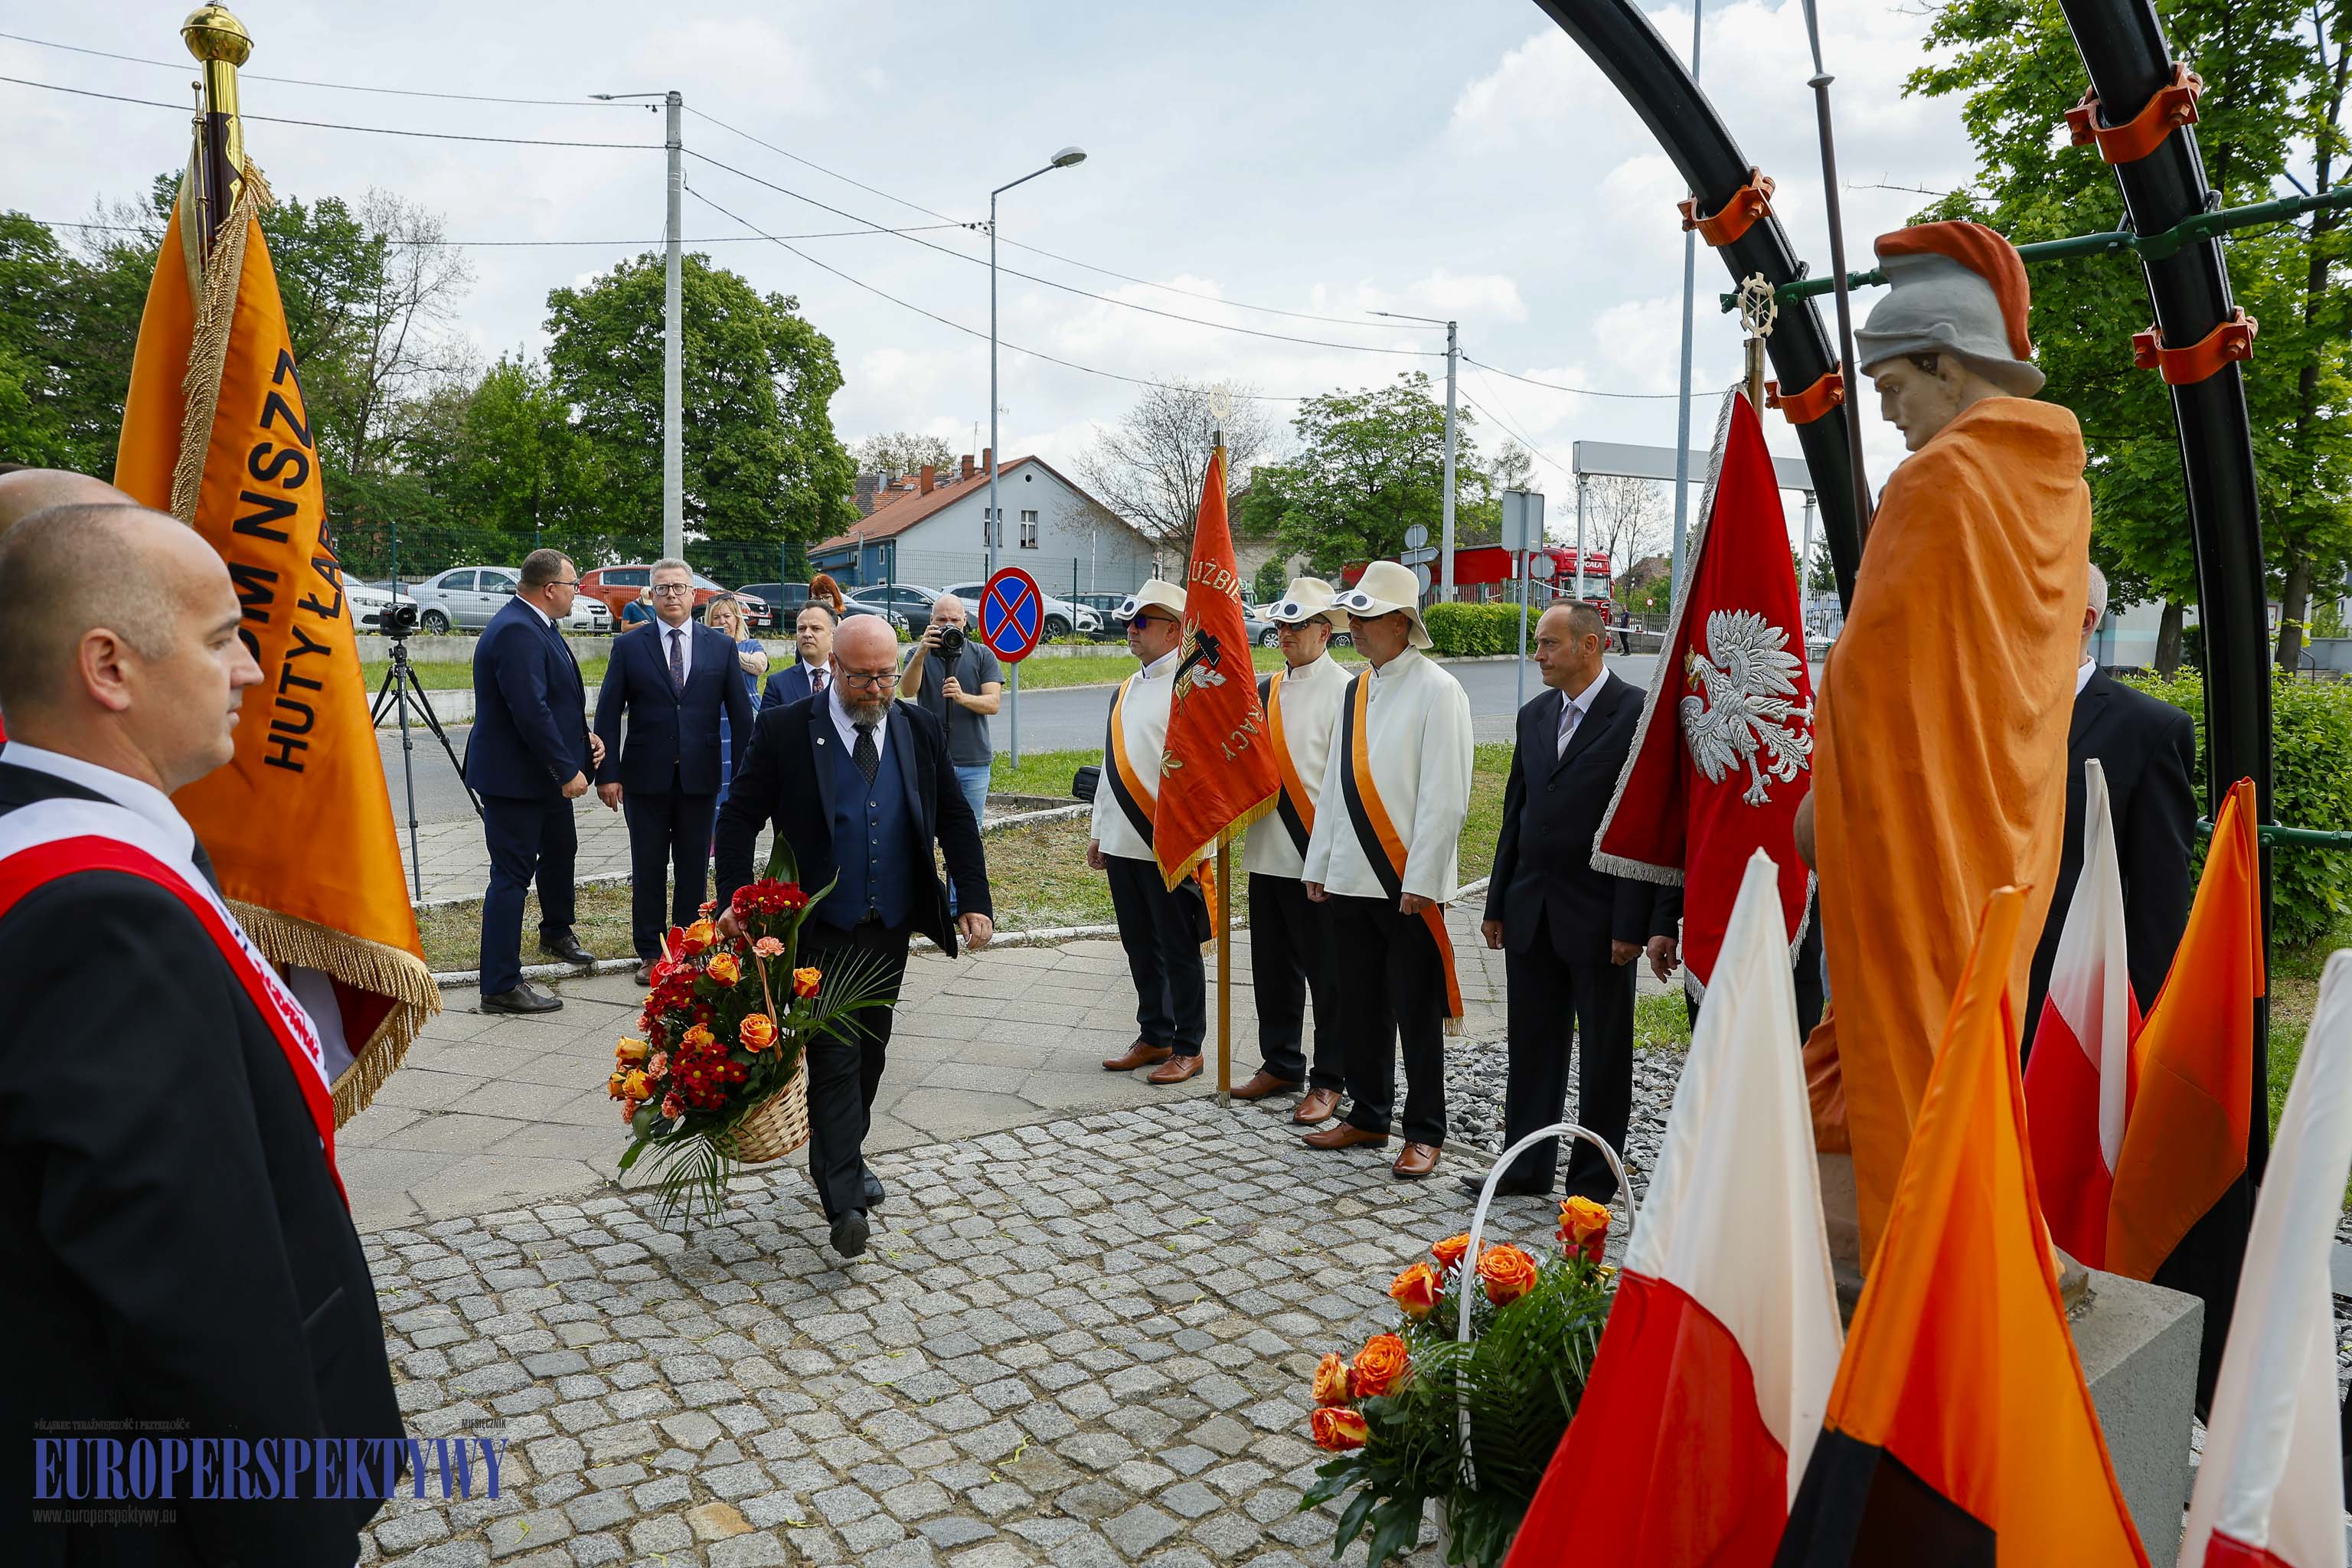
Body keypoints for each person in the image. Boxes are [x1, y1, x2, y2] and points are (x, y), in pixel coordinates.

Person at [0, 502, 401, 1563]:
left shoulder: (64, 840)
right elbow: (191, 1293)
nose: (255, 671)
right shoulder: (99, 912)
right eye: (224, 637)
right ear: (109, 668)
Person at [1795, 220, 2091, 1265]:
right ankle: (1983, 1223)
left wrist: (1820, 803)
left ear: (1946, 362)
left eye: (1895, 390)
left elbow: (1873, 682)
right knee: (1971, 1034)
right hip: (2009, 827)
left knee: (1908, 1041)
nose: (1891, 416)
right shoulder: (2058, 485)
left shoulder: (1937, 483)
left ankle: (1929, 1252)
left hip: (1917, 830)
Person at [714, 615, 993, 1259]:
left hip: (890, 923)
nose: (875, 688)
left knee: (870, 1052)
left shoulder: (918, 727)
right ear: (834, 668)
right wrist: (736, 898)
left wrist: (971, 899)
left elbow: (953, 815)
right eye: (863, 676)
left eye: (886, 676)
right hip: (818, 930)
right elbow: (737, 818)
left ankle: (845, 1150)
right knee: (835, 1057)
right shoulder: (787, 729)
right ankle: (842, 1199)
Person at [1484, 603, 1671, 1200]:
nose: (1537, 655)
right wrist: (1496, 904)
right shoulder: (1533, 715)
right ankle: (1525, 1169)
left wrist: (1636, 923)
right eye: (1538, 644)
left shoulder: (1638, 715)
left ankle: (1592, 1183)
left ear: (1591, 645)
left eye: (1548, 644)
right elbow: (1517, 813)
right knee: (1532, 1047)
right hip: (1531, 910)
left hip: (1601, 918)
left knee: (1604, 1056)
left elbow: (1652, 827)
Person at [1302, 561, 1475, 1180]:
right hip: (1350, 877)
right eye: (1355, 616)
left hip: (1404, 882)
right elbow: (1334, 786)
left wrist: (1423, 880)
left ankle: (1426, 1129)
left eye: (1368, 617)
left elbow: (1446, 796)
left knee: (1414, 1010)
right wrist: (1319, 862)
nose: (1355, 627)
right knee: (1360, 1005)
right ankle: (1370, 1113)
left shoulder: (1439, 690)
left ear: (1403, 624)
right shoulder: (1355, 689)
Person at [2021, 560, 2197, 1054]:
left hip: (2066, 999)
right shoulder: (1970, 712)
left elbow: (2158, 894)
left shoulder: (2150, 729)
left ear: (2085, 619)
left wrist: (2130, 1024)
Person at [593, 558, 755, 986]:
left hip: (701, 780)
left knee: (692, 868)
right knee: (647, 868)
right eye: (662, 588)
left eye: (679, 587)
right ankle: (650, 952)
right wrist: (607, 774)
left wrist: (744, 778)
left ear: (693, 594)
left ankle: (687, 950)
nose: (671, 595)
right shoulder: (630, 646)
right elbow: (608, 712)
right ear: (652, 594)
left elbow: (741, 718)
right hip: (644, 780)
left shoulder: (720, 646)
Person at [1230, 577, 1351, 1121]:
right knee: (1272, 969)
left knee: (1329, 975)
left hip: (1318, 857)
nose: (1286, 633)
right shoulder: (1264, 690)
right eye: (1281, 624)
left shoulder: (1351, 691)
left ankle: (1330, 1077)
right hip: (1267, 849)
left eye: (1298, 625)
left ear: (1325, 631)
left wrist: (1329, 858)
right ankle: (1280, 1061)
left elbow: (1348, 784)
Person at [464, 547, 602, 1014]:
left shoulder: (540, 625)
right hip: (517, 781)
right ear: (549, 590)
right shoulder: (518, 631)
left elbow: (558, 701)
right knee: (511, 876)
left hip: (540, 777)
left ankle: (557, 932)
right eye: (573, 585)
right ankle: (500, 984)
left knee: (561, 850)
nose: (577, 592)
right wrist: (566, 770)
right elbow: (530, 711)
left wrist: (585, 740)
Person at [1089, 581, 1212, 1085]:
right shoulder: (1126, 690)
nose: (1132, 631)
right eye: (1129, 622)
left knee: (1178, 948)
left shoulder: (1193, 690)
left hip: (1169, 843)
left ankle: (1189, 1045)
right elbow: (1109, 768)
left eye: (1142, 622)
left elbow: (1204, 776)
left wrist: (1198, 840)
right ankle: (1154, 1032)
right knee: (1139, 944)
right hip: (1123, 839)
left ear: (1175, 629)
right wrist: (1100, 831)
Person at [899, 592, 1004, 837]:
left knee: (968, 835)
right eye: (942, 620)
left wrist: (962, 697)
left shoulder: (982, 655)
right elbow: (907, 690)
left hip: (973, 762)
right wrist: (922, 652)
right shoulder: (917, 654)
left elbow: (993, 703)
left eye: (954, 620)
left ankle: (959, 878)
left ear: (965, 621)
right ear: (931, 621)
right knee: (924, 831)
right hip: (930, 760)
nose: (948, 625)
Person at [704, 594, 769, 828]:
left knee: (744, 771)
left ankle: (741, 827)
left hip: (744, 720)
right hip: (713, 721)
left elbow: (760, 665)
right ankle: (713, 834)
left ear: (737, 619)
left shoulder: (750, 646)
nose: (722, 621)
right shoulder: (703, 647)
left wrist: (728, 648)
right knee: (716, 775)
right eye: (716, 617)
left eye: (727, 616)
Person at [765, 596, 838, 707]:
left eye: (816, 628)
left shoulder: (848, 680)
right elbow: (765, 724)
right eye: (801, 629)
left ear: (833, 634)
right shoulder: (778, 684)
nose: (807, 634)